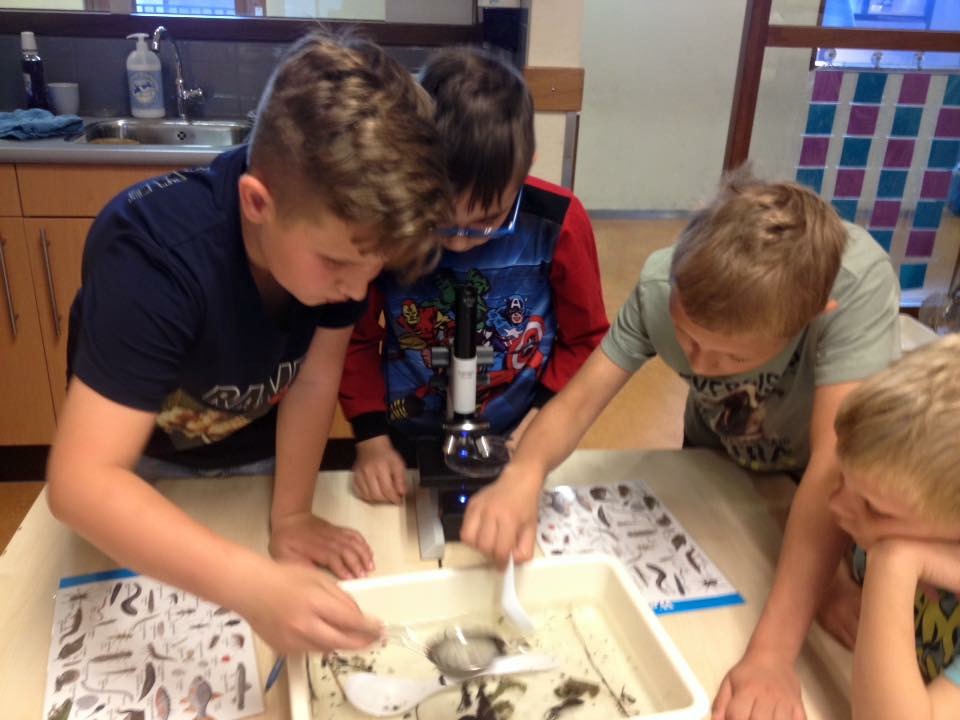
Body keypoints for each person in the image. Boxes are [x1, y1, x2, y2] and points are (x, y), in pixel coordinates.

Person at [45, 31, 451, 655]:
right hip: (144, 476)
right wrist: (250, 584)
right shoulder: (151, 255)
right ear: (258, 203)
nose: (357, 288)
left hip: (259, 464)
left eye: (374, 269)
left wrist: (291, 517)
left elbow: (315, 378)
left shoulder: (340, 238)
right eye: (338, 264)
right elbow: (82, 483)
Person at [458, 170, 901, 718]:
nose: (700, 364)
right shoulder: (660, 284)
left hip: (818, 484)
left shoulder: (856, 289)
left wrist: (771, 655)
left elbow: (833, 470)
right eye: (686, 338)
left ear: (812, 320)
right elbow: (576, 403)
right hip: (721, 456)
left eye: (732, 357)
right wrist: (524, 474)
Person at [339, 46, 609, 504]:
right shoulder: (392, 220)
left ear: (525, 167)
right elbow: (354, 337)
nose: (461, 242)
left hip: (521, 433)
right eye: (441, 221)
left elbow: (585, 339)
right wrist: (371, 438)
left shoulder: (559, 223)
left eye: (487, 220)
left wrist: (542, 422)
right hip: (405, 435)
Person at [829, 333, 960, 719]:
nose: (836, 505)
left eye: (874, 508)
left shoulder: (892, 544)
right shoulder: (886, 511)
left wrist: (895, 561)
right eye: (841, 479)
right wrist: (832, 587)